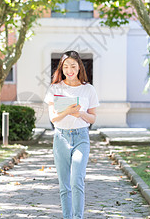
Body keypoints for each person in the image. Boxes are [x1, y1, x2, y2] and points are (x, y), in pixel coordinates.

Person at [44, 50, 99, 219]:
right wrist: (67, 111)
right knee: (64, 185)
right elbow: (53, 118)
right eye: (66, 66)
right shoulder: (55, 88)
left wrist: (80, 114)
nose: (69, 70)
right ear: (61, 68)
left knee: (77, 180)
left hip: (81, 137)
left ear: (79, 67)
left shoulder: (88, 89)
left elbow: (92, 118)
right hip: (61, 137)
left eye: (73, 66)